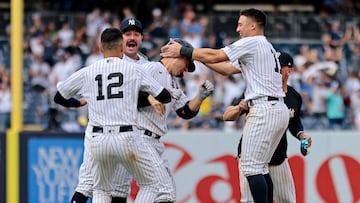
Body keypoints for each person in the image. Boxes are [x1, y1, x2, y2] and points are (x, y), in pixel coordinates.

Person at [161, 8, 290, 203]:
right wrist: (196, 56)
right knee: (261, 167)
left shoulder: (252, 42)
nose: (238, 29)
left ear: (253, 25)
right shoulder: (264, 46)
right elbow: (225, 69)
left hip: (264, 108)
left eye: (241, 24)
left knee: (251, 168)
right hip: (275, 108)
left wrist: (183, 51)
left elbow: (216, 56)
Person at [54, 27, 172, 203]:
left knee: (100, 190)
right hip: (127, 137)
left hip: (98, 140)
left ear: (101, 48)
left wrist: (77, 103)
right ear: (122, 47)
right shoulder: (133, 69)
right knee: (150, 184)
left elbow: (59, 97)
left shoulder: (89, 71)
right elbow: (164, 96)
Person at [113, 38, 214, 203]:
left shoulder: (173, 82)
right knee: (165, 192)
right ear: (175, 55)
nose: (187, 70)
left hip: (151, 140)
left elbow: (185, 111)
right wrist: (153, 97)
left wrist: (200, 97)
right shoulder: (151, 68)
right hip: (140, 136)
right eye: (187, 63)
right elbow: (127, 94)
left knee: (141, 189)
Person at [71, 17, 150, 203]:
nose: (132, 38)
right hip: (100, 131)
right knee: (88, 184)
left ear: (142, 38)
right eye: (127, 34)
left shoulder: (146, 66)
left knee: (119, 189)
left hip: (128, 134)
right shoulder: (105, 64)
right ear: (119, 41)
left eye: (136, 34)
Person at [223, 52, 313, 202]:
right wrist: (240, 108)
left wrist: (301, 134)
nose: (274, 70)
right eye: (272, 66)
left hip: (277, 157)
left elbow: (294, 120)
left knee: (287, 200)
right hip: (252, 156)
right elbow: (227, 116)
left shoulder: (294, 96)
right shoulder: (256, 90)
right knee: (250, 201)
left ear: (289, 70)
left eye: (279, 67)